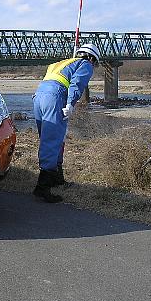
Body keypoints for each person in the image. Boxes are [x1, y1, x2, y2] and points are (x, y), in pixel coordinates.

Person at [32, 44, 100, 203]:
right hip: (54, 98)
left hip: (39, 97)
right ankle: (42, 188)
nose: (93, 66)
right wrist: (70, 103)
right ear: (91, 58)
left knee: (49, 139)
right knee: (53, 141)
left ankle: (56, 178)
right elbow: (77, 83)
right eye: (95, 62)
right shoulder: (85, 64)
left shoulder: (61, 63)